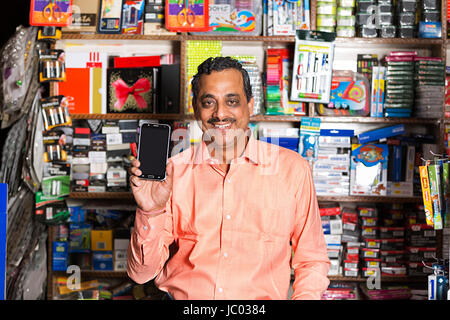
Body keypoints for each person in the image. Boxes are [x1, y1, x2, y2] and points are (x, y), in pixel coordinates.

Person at [127, 56, 330, 300]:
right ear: (195, 109)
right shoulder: (173, 172)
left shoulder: (292, 169)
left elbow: (312, 259)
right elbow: (141, 274)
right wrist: (150, 211)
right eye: (208, 102)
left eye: (232, 101)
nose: (220, 113)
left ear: (250, 105)